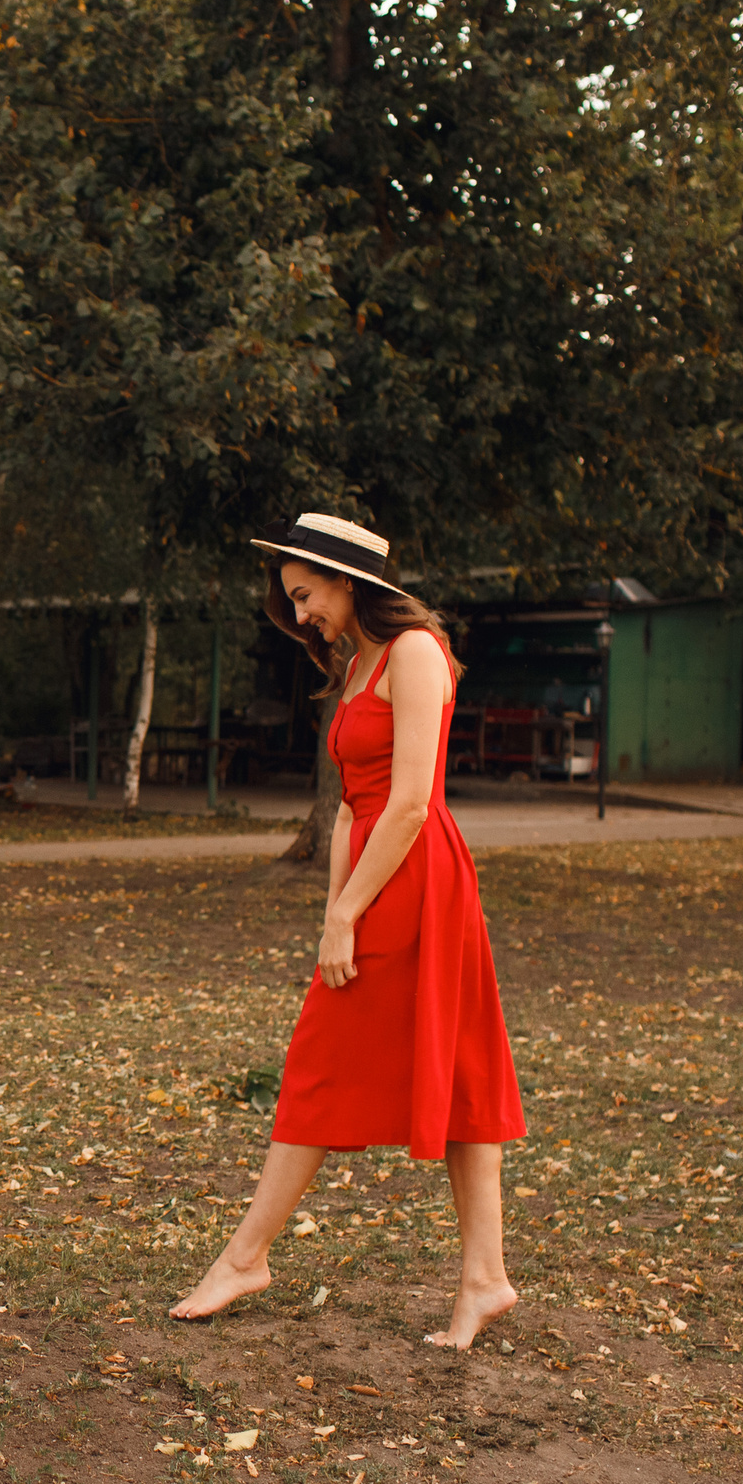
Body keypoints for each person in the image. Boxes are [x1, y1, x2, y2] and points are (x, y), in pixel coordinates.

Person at [172, 513, 524, 1347]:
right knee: (450, 1066)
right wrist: (333, 910)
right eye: (291, 601)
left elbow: (409, 803)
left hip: (417, 879)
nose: (300, 617)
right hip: (376, 877)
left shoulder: (414, 653)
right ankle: (485, 1277)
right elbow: (350, 810)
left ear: (346, 581)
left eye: (305, 596)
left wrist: (347, 912)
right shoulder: (358, 662)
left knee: (331, 1060)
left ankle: (246, 1255)